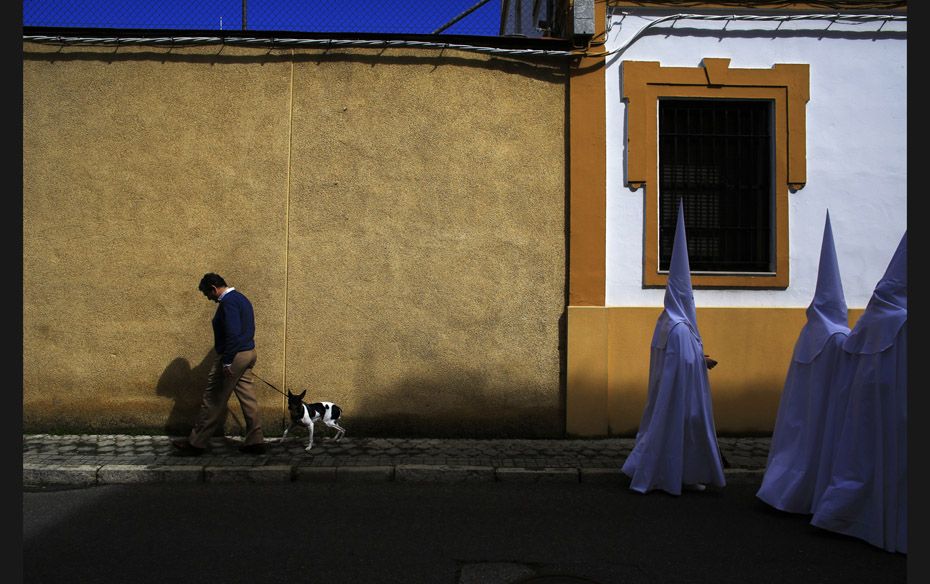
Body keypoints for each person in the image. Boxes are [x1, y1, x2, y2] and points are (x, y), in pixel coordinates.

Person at [620, 200, 726, 495]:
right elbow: (681, 363)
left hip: (671, 391)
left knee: (662, 429)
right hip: (681, 393)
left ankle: (675, 471)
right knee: (681, 431)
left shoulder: (668, 322)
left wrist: (700, 359)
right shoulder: (679, 328)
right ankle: (670, 474)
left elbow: (682, 359)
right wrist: (700, 362)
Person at [810, 232, 906, 553]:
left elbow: (850, 350)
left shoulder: (872, 318)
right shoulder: (903, 321)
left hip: (864, 400)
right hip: (896, 402)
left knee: (863, 458)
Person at [757, 211, 850, 514]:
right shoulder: (838, 336)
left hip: (804, 407)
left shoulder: (810, 330)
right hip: (825, 408)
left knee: (801, 447)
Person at [172, 273, 266, 455]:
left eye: (208, 294)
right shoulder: (241, 298)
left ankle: (196, 443)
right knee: (248, 398)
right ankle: (255, 440)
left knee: (213, 398)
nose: (209, 298)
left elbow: (232, 333)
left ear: (214, 288)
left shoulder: (228, 302)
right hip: (248, 352)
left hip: (234, 355)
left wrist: (227, 361)